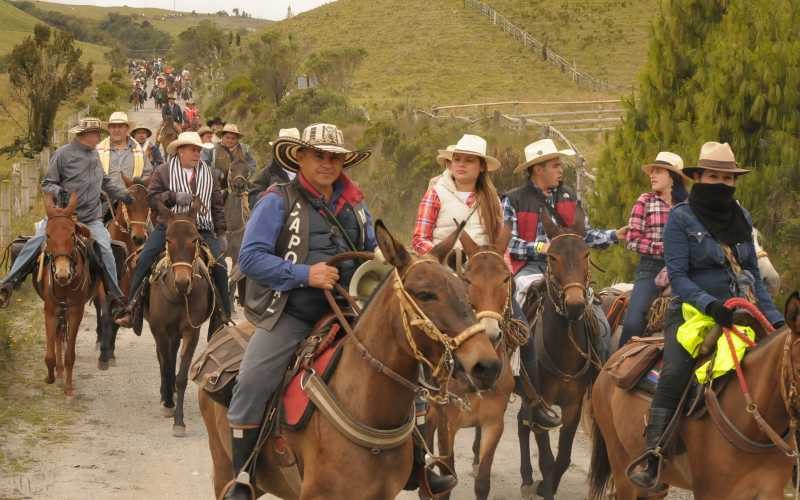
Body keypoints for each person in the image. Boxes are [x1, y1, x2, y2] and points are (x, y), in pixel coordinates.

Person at [223, 123, 457, 498]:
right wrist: (305, 274)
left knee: (406, 366)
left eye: (335, 158)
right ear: (300, 157)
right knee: (252, 381)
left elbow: (371, 248)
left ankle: (421, 458)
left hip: (352, 311)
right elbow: (250, 258)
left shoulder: (355, 205)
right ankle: (244, 475)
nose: (327, 164)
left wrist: (383, 256)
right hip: (292, 311)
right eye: (319, 156)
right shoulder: (277, 200)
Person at [628, 142, 784, 491]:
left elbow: (753, 275)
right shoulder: (680, 217)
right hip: (692, 312)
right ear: (699, 177)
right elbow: (679, 276)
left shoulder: (741, 216)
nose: (722, 184)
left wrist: (776, 323)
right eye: (714, 177)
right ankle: (654, 455)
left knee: (785, 368)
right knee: (675, 372)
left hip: (744, 312)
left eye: (728, 179)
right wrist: (711, 305)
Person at [503, 138, 628, 429]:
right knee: (517, 315)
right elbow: (509, 242)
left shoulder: (570, 197)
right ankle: (516, 376)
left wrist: (614, 235)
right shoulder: (513, 199)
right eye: (555, 165)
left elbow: (585, 236)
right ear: (538, 169)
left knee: (599, 319)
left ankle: (598, 381)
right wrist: (543, 248)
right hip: (528, 268)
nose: (561, 170)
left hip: (568, 271)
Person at [0, 118, 132, 319]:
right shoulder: (63, 154)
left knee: (105, 247)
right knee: (37, 241)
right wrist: (60, 192)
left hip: (91, 218)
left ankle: (115, 296)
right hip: (62, 217)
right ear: (83, 135)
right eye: (96, 133)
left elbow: (104, 181)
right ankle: (8, 283)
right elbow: (47, 183)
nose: (99, 137)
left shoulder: (94, 154)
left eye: (98, 133)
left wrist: (124, 194)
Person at [115, 132, 231, 332]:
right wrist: (173, 197)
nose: (197, 154)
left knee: (220, 266)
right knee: (144, 260)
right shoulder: (163, 171)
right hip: (169, 227)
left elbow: (217, 206)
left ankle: (222, 316)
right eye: (193, 150)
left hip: (200, 228)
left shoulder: (210, 174)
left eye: (199, 150)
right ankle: (132, 308)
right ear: (181, 151)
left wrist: (220, 233)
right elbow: (152, 199)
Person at [619, 152, 688, 346]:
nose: (652, 175)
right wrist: (663, 248)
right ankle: (620, 360)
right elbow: (632, 240)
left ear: (672, 177)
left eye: (658, 171)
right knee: (633, 323)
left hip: (683, 268)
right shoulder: (645, 200)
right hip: (650, 268)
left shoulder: (688, 206)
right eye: (652, 172)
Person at [412, 134, 502, 254]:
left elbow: (500, 243)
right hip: (442, 264)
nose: (461, 164)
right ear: (451, 164)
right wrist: (444, 257)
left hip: (483, 263)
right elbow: (420, 240)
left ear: (481, 167)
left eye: (469, 160)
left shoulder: (493, 200)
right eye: (457, 159)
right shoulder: (435, 194)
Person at [96, 112, 152, 191]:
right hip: (105, 195)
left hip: (132, 195)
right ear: (109, 129)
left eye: (120, 126)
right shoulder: (98, 151)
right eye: (113, 127)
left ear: (127, 129)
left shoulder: (139, 151)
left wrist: (138, 184)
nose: (116, 130)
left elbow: (148, 173)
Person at [247, 128, 299, 209]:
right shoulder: (268, 172)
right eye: (283, 148)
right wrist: (266, 195)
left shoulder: (306, 171)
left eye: (290, 148)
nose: (285, 152)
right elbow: (252, 197)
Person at [201, 123, 257, 190]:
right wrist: (217, 174)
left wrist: (246, 173)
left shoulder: (244, 149)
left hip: (240, 185)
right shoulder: (211, 149)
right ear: (222, 137)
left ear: (237, 139)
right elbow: (203, 165)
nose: (230, 141)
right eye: (227, 137)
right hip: (217, 185)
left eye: (233, 138)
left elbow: (252, 164)